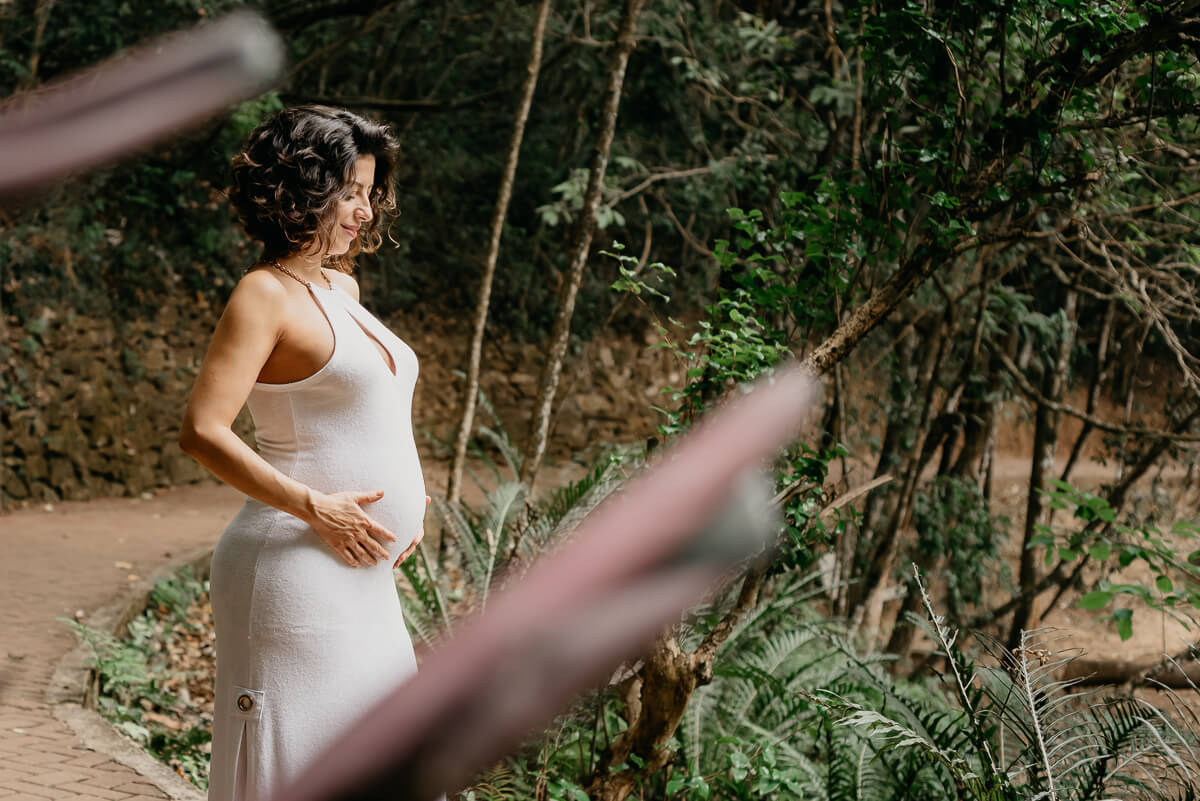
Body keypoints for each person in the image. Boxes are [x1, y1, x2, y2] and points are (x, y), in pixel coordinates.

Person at [179, 105, 429, 800]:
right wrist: (316, 506)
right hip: (293, 568)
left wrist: (416, 495)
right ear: (300, 189)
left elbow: (368, 410)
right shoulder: (264, 294)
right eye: (348, 192)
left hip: (362, 574)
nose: (363, 211)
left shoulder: (340, 287)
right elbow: (202, 429)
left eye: (369, 193)